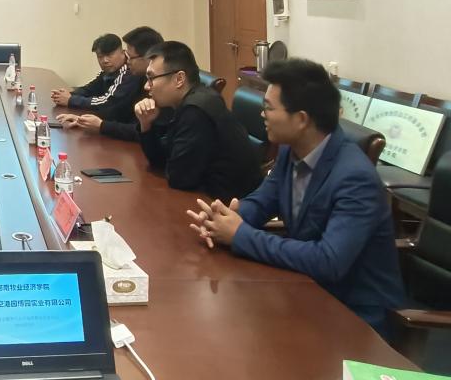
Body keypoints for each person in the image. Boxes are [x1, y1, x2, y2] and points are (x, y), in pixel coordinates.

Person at [186, 58, 405, 336]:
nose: (262, 114)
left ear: (301, 119)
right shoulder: (291, 150)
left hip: (355, 317)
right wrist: (226, 219)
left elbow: (329, 261)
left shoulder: (355, 178)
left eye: (269, 108)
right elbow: (263, 200)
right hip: (306, 291)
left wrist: (240, 235)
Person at [134, 40, 261, 200]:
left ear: (179, 79)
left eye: (151, 78)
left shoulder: (195, 111)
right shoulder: (187, 102)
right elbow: (161, 161)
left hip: (227, 205)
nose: (147, 86)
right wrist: (146, 124)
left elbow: (179, 178)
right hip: (208, 196)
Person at [55, 27, 163, 141]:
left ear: (148, 57)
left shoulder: (139, 78)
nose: (127, 61)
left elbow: (142, 132)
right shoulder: (140, 77)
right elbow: (119, 111)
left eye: (130, 57)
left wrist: (102, 126)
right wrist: (82, 119)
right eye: (100, 56)